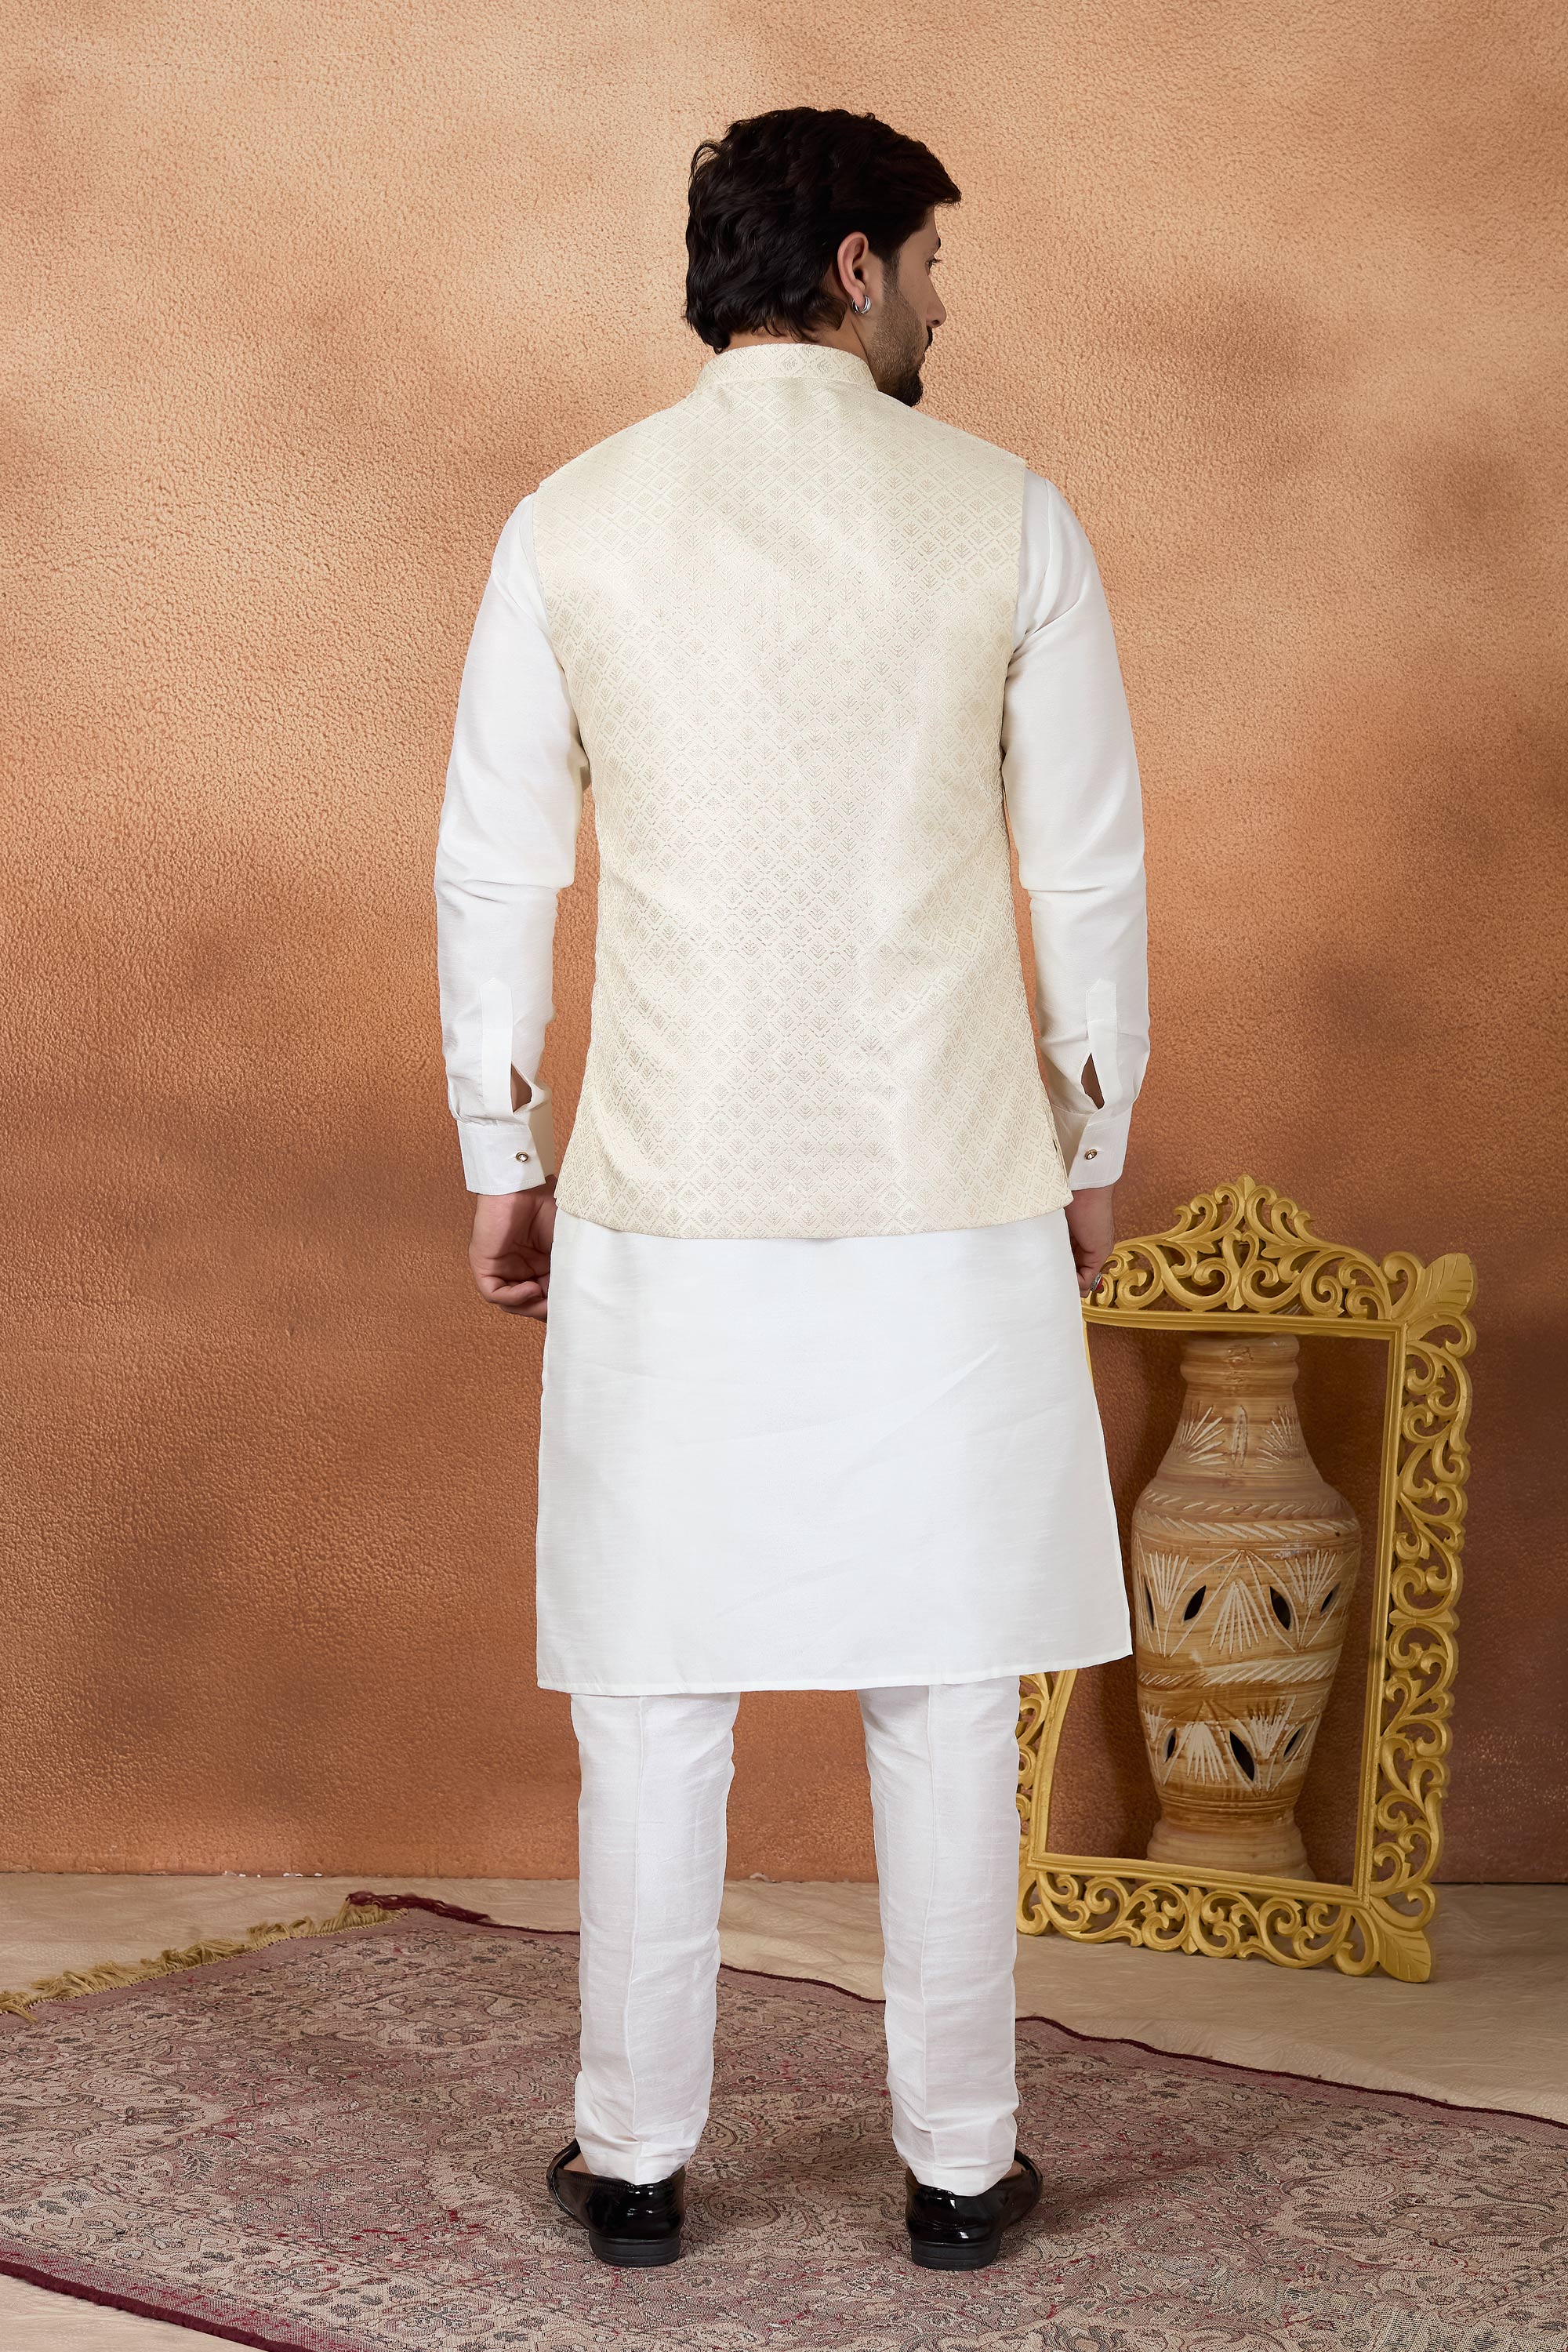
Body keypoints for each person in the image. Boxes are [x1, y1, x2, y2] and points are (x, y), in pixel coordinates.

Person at [434, 103, 1149, 2273]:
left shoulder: (572, 520)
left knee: (657, 1696)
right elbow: (1085, 872)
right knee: (945, 1682)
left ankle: (637, 2164)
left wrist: (504, 1153)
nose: (941, 301)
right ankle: (961, 2171)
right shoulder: (1008, 514)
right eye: (928, 262)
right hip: (951, 1184)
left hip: (669, 1189)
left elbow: (498, 866)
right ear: (854, 268)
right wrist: (1090, 1146)